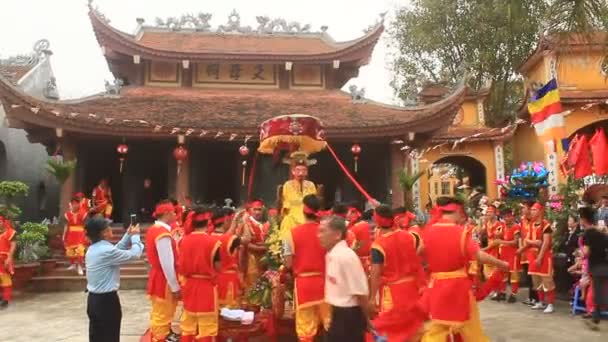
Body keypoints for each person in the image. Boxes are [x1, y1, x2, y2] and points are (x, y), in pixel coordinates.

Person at [418, 196, 508, 341]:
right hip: (458, 288)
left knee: (436, 329)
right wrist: (501, 264)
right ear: (458, 211)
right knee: (471, 330)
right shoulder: (461, 232)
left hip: (436, 287)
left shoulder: (428, 232)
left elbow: (419, 253)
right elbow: (478, 255)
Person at [368, 205, 425, 341]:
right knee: (413, 327)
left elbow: (375, 273)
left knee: (392, 329)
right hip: (412, 288)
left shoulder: (378, 244)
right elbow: (422, 249)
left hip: (393, 293)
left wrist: (371, 298)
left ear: (377, 221)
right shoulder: (409, 236)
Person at [85, 217, 143, 342]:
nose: (110, 229)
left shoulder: (94, 248)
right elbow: (134, 254)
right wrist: (135, 237)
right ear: (103, 232)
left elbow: (116, 250)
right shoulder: (106, 251)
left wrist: (128, 235)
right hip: (106, 301)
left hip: (94, 300)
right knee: (110, 336)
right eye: (108, 227)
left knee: (97, 336)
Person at [283, 194, 331, 341]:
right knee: (330, 323)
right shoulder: (328, 232)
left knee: (305, 328)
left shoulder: (291, 234)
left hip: (304, 285)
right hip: (326, 283)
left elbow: (288, 263)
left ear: (303, 212)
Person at [318, 215, 370, 342]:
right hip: (334, 314)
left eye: (323, 231)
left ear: (337, 234)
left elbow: (360, 293)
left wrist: (367, 319)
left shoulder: (347, 257)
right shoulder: (331, 254)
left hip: (348, 317)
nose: (318, 235)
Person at [178, 207, 222, 342]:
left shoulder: (183, 241)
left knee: (187, 324)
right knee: (207, 325)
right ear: (208, 222)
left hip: (189, 285)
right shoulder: (214, 242)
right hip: (206, 287)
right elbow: (218, 266)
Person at [146, 202, 181, 342]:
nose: (175, 215)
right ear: (166, 214)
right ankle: (160, 338)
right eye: (173, 212)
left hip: (159, 275)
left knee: (163, 310)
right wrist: (175, 286)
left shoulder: (154, 229)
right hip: (164, 278)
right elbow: (167, 263)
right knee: (163, 311)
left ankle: (165, 334)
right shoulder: (162, 233)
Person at [520, 202, 555, 314]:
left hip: (544, 256)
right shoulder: (530, 225)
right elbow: (527, 240)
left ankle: (550, 304)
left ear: (540, 211)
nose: (532, 212)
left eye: (534, 210)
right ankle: (540, 301)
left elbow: (545, 243)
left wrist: (540, 257)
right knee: (536, 281)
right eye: (532, 210)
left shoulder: (546, 225)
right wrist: (533, 243)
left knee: (547, 280)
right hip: (532, 255)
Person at [579, 206, 608, 330]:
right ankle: (595, 317)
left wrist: (579, 252)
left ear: (584, 219)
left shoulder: (588, 234)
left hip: (596, 267)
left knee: (600, 295)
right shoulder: (601, 233)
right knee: (598, 293)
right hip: (605, 265)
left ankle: (595, 317)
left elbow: (586, 252)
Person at [210, 207, 244, 308]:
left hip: (213, 280)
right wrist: (244, 223)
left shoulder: (208, 237)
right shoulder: (231, 239)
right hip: (229, 282)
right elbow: (247, 238)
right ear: (226, 220)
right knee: (230, 317)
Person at [279, 152, 317, 237]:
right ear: (293, 171)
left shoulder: (311, 185)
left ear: (306, 172)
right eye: (298, 170)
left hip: (308, 215)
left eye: (303, 170)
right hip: (292, 215)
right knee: (287, 221)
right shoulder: (287, 185)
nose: (301, 173)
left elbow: (313, 203)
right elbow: (286, 203)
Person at [241, 200, 269, 291]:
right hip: (251, 260)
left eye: (259, 210)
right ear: (250, 210)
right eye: (255, 209)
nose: (257, 212)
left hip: (263, 261)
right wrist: (264, 248)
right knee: (252, 288)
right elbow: (246, 244)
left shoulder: (264, 224)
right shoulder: (246, 224)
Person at [495, 209, 521, 303]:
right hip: (504, 252)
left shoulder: (516, 227)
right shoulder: (503, 226)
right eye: (505, 217)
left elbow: (515, 242)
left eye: (509, 216)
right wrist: (497, 235)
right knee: (503, 273)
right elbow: (497, 236)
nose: (507, 218)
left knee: (514, 274)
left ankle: (513, 294)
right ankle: (502, 292)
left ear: (513, 217)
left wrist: (501, 242)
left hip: (513, 253)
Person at [519, 201, 539, 306]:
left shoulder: (535, 221)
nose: (523, 210)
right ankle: (531, 297)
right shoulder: (523, 221)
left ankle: (536, 298)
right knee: (527, 275)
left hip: (532, 251)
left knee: (534, 276)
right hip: (525, 252)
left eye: (524, 208)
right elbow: (522, 236)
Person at [63, 197, 88, 275]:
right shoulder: (67, 214)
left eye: (76, 204)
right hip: (71, 233)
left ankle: (80, 266)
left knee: (80, 250)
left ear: (79, 204)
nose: (74, 205)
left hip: (80, 233)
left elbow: (86, 225)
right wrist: (64, 235)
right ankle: (73, 264)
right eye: (73, 204)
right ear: (71, 204)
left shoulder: (83, 213)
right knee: (70, 250)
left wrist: (87, 235)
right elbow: (66, 226)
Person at [482, 206, 504, 285]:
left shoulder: (499, 225)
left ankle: (497, 290)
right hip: (489, 247)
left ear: (495, 213)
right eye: (487, 212)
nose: (488, 214)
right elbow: (479, 233)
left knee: (495, 270)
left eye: (490, 212)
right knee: (487, 270)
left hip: (496, 249)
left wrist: (485, 249)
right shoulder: (487, 223)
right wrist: (482, 222)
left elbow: (496, 241)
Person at [347, 206, 372, 272]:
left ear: (357, 214)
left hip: (359, 261)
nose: (348, 214)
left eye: (352, 212)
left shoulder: (360, 226)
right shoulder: (351, 226)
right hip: (358, 259)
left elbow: (361, 244)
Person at [0, 216, 16, 309]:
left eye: (0, 221)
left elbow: (13, 246)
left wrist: (9, 258)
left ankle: (6, 299)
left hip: (4, 258)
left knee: (5, 279)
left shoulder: (10, 232)